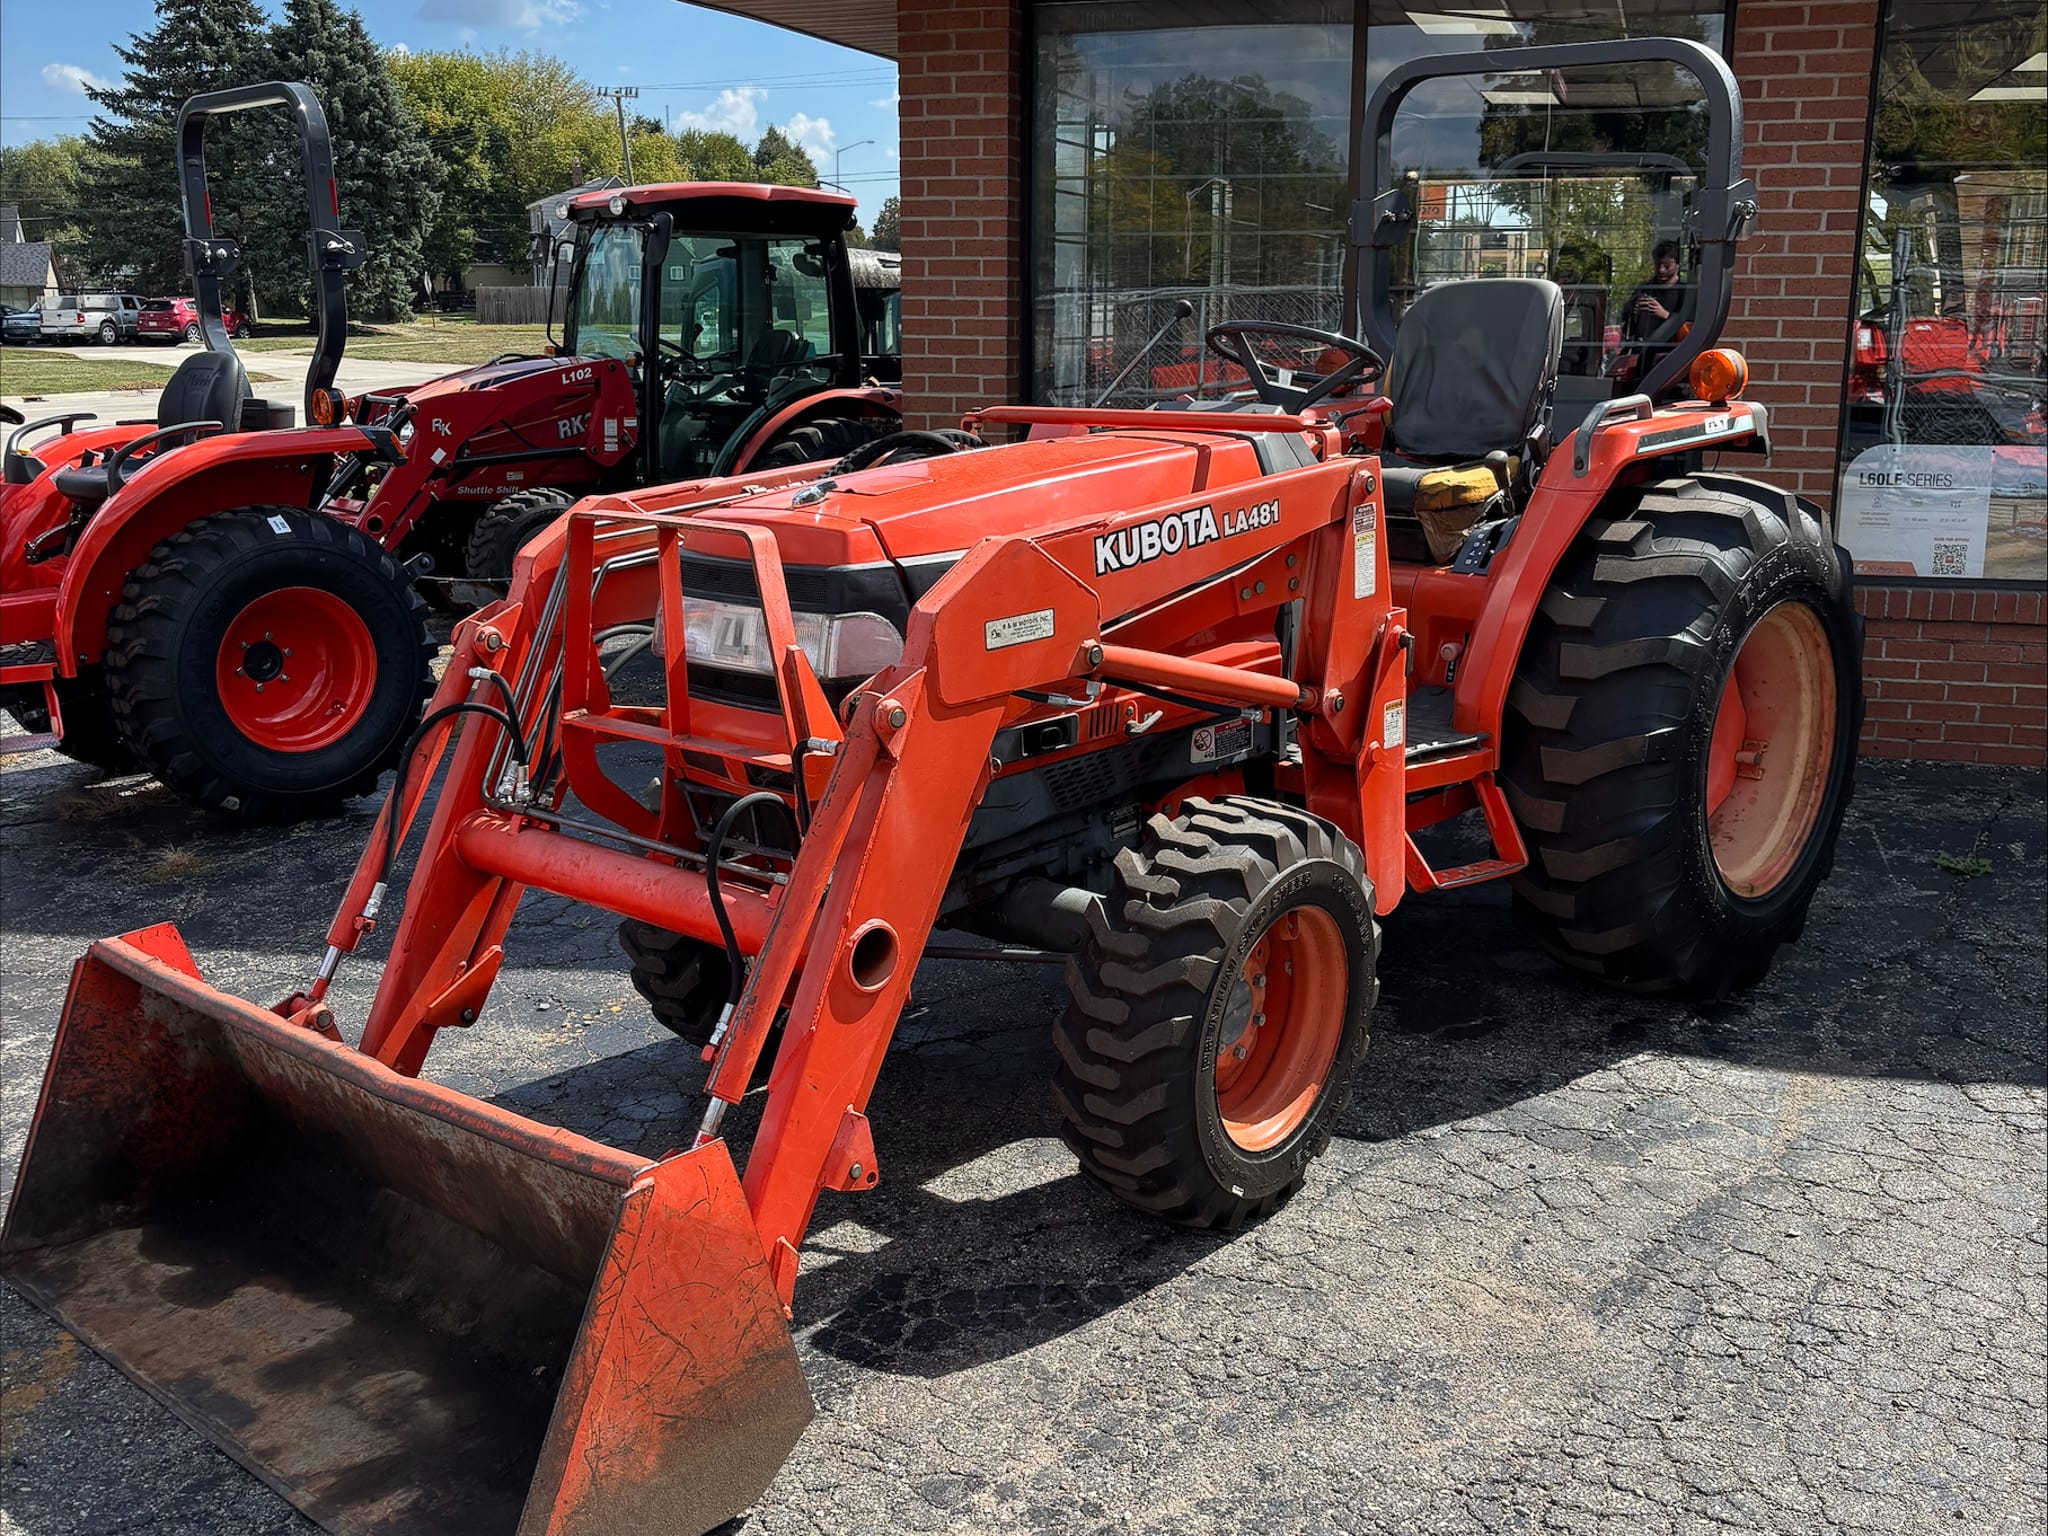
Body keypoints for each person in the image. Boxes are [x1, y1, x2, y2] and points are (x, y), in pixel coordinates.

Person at [1611, 240, 1692, 387]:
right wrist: (1633, 312)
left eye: (1667, 265)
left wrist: (1665, 315)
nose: (1661, 270)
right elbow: (1626, 324)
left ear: (1677, 265)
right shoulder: (1645, 288)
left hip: (1670, 357)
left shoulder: (1685, 292)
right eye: (1658, 265)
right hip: (1640, 357)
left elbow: (1691, 330)